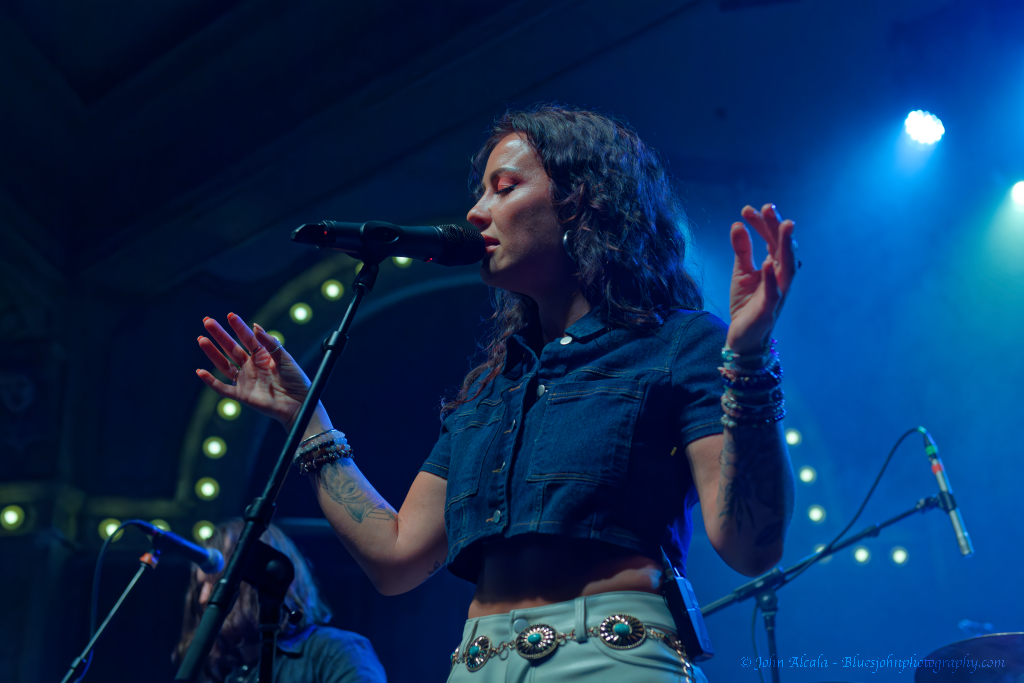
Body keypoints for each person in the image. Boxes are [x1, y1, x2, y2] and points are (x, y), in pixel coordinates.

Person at [195, 104, 797, 682]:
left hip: (611, 660)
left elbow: (750, 546)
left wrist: (747, 362)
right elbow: (395, 557)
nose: (477, 213)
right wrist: (305, 418)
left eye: (503, 188)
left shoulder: (678, 344)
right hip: (476, 665)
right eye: (480, 192)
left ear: (582, 203)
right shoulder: (491, 389)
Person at [174, 519, 387, 683]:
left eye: (215, 583)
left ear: (257, 579)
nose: (203, 599)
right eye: (200, 587)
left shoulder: (335, 651)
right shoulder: (228, 671)